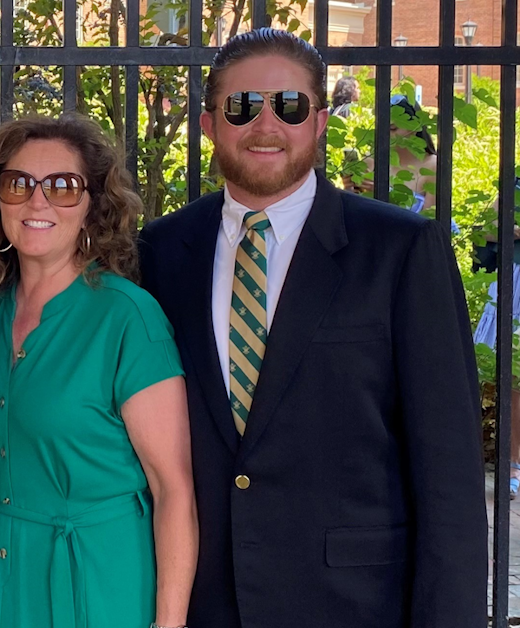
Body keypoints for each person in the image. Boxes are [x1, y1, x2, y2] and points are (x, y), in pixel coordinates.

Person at [139, 28, 487, 627]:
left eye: (291, 106)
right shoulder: (161, 252)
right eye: (242, 106)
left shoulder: (400, 251)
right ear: (208, 123)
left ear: (320, 121)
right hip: (207, 602)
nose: (266, 125)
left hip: (354, 605)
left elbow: (448, 470)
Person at [0, 115, 197, 628]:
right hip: (0, 576)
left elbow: (171, 487)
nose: (37, 202)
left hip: (97, 579)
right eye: (17, 184)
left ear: (92, 206)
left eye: (63, 187)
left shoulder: (126, 318)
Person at [472, 178, 520, 498]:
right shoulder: (515, 183)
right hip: (514, 284)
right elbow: (484, 232)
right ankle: (513, 464)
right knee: (513, 379)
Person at [345, 95, 441, 218]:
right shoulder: (370, 160)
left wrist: (386, 195)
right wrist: (349, 188)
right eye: (381, 128)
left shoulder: (433, 166)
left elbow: (431, 224)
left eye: (392, 128)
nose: (386, 134)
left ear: (415, 128)